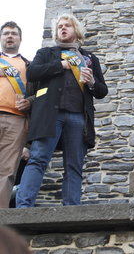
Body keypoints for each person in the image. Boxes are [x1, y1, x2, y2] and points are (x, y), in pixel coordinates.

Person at [16, 14, 108, 207]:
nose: (63, 29)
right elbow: (32, 73)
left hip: (78, 118)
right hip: (50, 116)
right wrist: (61, 65)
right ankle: (23, 207)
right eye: (60, 26)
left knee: (74, 166)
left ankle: (71, 209)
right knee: (38, 159)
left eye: (67, 26)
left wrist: (91, 82)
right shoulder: (46, 53)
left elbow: (102, 91)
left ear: (77, 31)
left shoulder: (89, 58)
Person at [0, 21, 33, 208]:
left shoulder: (28, 65)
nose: (10, 36)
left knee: (7, 171)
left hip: (16, 119)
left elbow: (38, 94)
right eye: (6, 33)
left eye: (13, 33)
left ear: (20, 39)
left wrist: (29, 102)